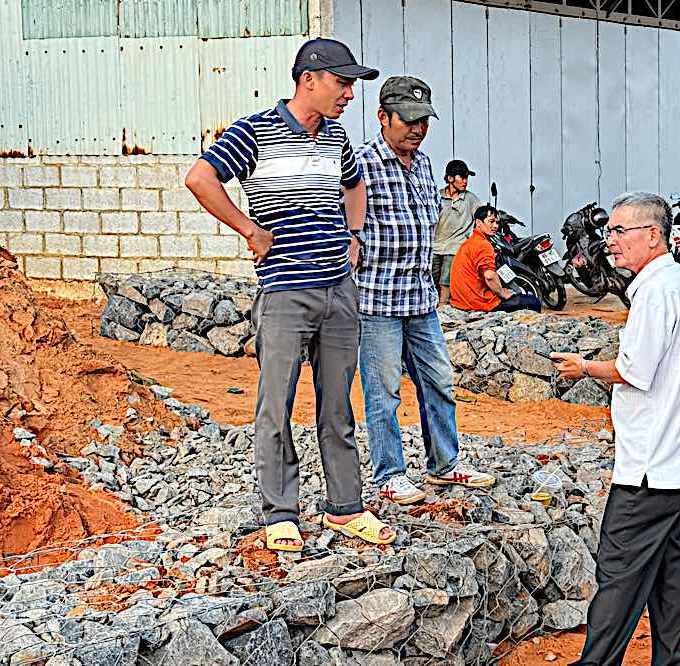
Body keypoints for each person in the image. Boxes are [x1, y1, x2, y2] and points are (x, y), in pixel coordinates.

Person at [184, 38, 395, 550]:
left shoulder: (338, 137)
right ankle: (281, 512)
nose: (349, 94)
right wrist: (247, 229)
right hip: (284, 292)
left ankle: (345, 507)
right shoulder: (254, 131)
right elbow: (200, 178)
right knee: (275, 404)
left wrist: (355, 235)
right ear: (309, 80)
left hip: (338, 291)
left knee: (338, 405)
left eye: (351, 85)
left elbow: (354, 185)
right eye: (342, 83)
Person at [552, 192, 680, 666]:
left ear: (652, 235)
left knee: (619, 569)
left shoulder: (654, 292)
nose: (609, 241)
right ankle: (672, 660)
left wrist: (585, 368)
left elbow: (634, 371)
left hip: (648, 466)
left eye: (618, 231)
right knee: (670, 574)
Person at [354, 76, 496, 506]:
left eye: (424, 121)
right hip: (377, 298)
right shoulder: (358, 164)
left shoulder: (426, 166)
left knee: (438, 381)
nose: (417, 129)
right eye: (409, 120)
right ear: (383, 117)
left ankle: (445, 464)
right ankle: (390, 473)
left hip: (420, 298)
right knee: (384, 391)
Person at [450, 204, 542, 313]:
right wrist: (503, 293)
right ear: (478, 223)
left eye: (497, 222)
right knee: (533, 301)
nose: (495, 226)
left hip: (461, 300)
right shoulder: (483, 244)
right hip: (478, 302)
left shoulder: (470, 242)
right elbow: (489, 276)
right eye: (491, 221)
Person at [433, 159, 482, 305]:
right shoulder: (437, 197)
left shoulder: (471, 199)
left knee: (445, 282)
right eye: (462, 177)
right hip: (435, 246)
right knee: (431, 280)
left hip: (455, 247)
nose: (465, 181)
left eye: (466, 177)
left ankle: (442, 309)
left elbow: (480, 219)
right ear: (450, 178)